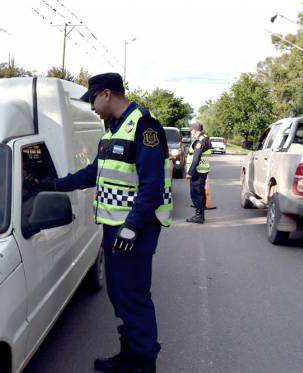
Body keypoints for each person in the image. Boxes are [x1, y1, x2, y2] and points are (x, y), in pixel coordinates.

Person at [40, 73, 172, 373]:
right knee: (119, 294)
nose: (91, 107)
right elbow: (94, 173)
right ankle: (130, 355)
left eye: (93, 100)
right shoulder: (114, 130)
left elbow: (151, 186)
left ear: (108, 94)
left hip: (135, 229)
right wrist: (54, 184)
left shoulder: (143, 127)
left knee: (134, 296)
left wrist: (133, 226)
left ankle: (143, 363)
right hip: (116, 227)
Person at [185, 121, 212, 224]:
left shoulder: (200, 141)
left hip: (197, 171)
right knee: (200, 193)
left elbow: (196, 158)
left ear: (195, 130)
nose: (191, 132)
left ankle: (199, 216)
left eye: (191, 130)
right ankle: (201, 215)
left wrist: (190, 172)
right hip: (202, 170)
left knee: (196, 193)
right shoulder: (205, 138)